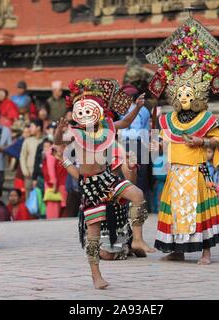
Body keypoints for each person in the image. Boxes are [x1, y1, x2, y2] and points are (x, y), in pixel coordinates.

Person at [54, 77, 154, 289]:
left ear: (98, 110)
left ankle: (137, 238)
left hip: (108, 179)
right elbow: (57, 141)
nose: (86, 115)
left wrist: (136, 108)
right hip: (90, 188)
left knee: (137, 194)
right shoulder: (77, 133)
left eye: (90, 110)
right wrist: (59, 129)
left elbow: (125, 123)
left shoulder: (107, 129)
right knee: (93, 238)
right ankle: (96, 276)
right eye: (81, 111)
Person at [147, 20, 219, 264]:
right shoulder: (169, 119)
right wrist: (156, 147)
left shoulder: (206, 118)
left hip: (196, 171)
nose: (183, 97)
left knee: (200, 211)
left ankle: (206, 252)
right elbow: (165, 141)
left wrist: (201, 141)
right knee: (174, 210)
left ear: (198, 95)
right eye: (180, 93)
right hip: (176, 170)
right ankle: (177, 250)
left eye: (188, 93)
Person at [119, 84, 151, 204]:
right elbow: (145, 128)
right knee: (139, 173)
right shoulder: (143, 110)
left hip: (129, 143)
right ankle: (139, 202)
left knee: (127, 173)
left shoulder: (123, 110)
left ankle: (129, 202)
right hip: (136, 144)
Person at [42, 142, 67, 219]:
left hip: (63, 183)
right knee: (54, 212)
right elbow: (50, 170)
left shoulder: (65, 148)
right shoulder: (53, 150)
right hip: (56, 186)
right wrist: (54, 183)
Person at [20, 120, 45, 197]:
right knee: (30, 199)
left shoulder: (46, 140)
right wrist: (25, 172)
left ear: (38, 128)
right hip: (29, 174)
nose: (30, 129)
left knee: (42, 197)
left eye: (32, 126)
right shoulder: (27, 141)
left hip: (42, 175)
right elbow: (22, 157)